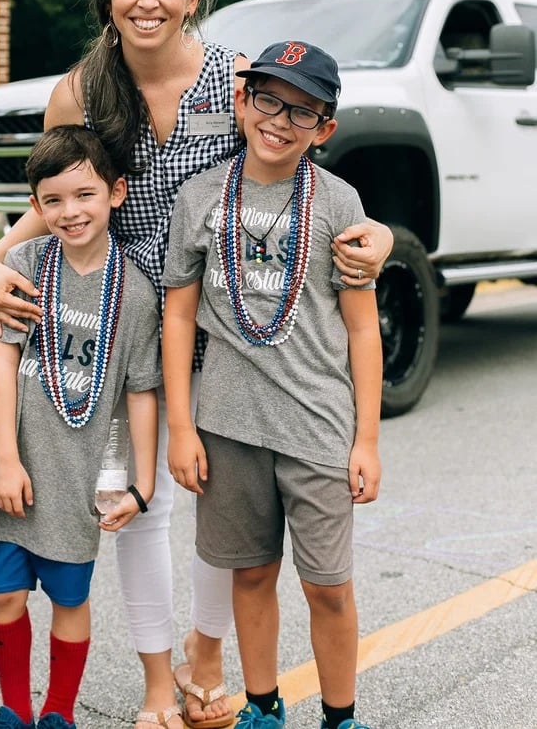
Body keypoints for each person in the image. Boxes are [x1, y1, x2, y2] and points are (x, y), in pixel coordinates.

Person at [0, 0, 393, 729]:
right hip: (125, 325)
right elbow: (58, 193)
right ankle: (159, 682)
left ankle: (209, 652)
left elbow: (296, 172)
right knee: (134, 502)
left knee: (213, 507)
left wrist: (375, 233)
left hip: (230, 334)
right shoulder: (82, 90)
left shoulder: (236, 79)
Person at [161, 40, 383, 729]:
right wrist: (180, 425)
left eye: (303, 111)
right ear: (241, 99)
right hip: (228, 425)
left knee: (328, 586)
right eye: (268, 99)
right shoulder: (200, 195)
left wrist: (367, 439)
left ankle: (341, 716)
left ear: (325, 128)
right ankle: (262, 706)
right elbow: (178, 310)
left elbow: (362, 329)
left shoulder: (340, 204)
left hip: (317, 426)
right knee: (250, 574)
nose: (280, 120)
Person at [0, 125, 161, 729]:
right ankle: (14, 709)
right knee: (5, 596)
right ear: (35, 206)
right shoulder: (24, 265)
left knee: (69, 599)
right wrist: (6, 457)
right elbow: (3, 363)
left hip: (79, 477)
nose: (69, 211)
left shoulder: (135, 293)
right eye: (51, 200)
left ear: (116, 192)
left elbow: (139, 392)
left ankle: (58, 713)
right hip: (15, 469)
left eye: (84, 195)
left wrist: (143, 483)